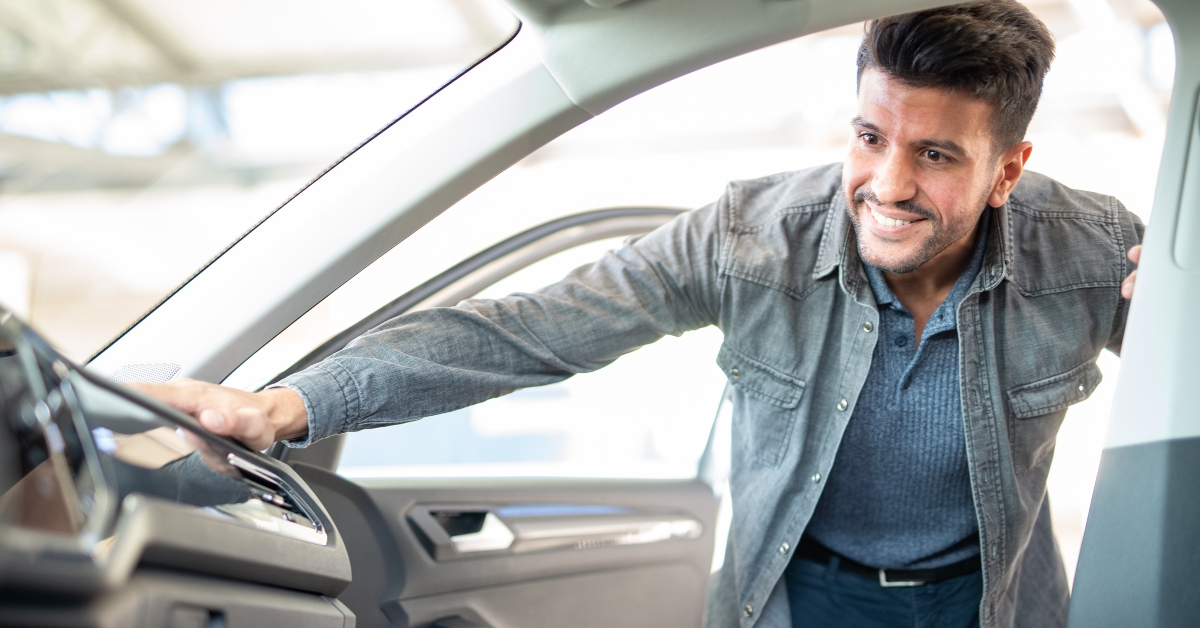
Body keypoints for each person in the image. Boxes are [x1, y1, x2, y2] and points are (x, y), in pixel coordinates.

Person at [132, 2, 1145, 627]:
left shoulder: (1092, 251)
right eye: (871, 135)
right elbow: (523, 332)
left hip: (994, 605)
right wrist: (284, 405)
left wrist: (1170, 314)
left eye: (935, 154)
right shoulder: (749, 238)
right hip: (797, 601)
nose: (885, 183)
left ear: (1009, 169)